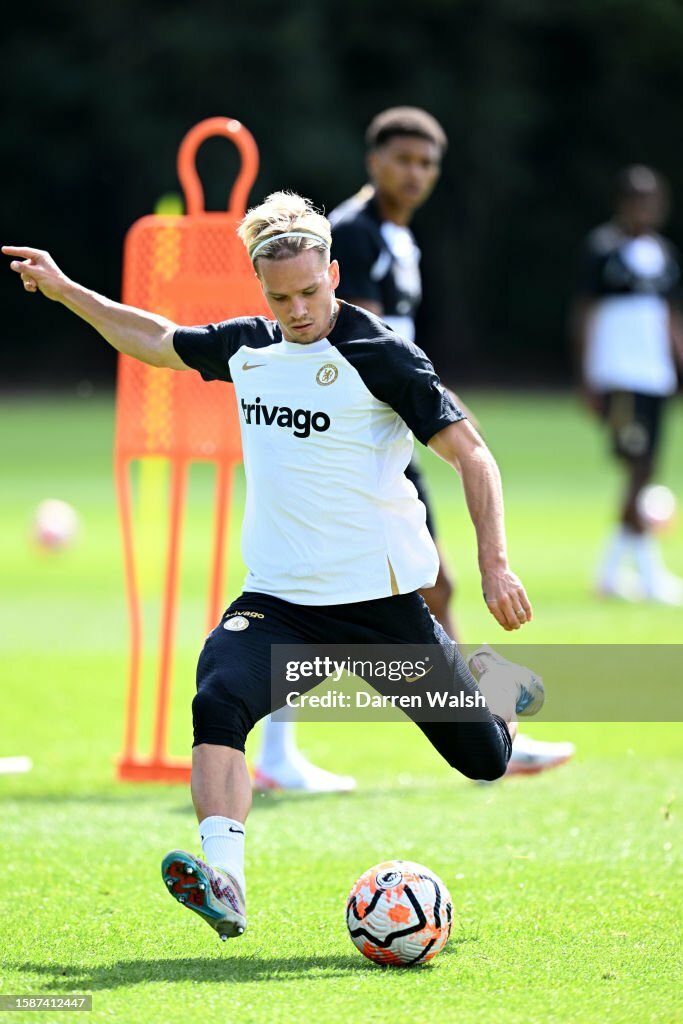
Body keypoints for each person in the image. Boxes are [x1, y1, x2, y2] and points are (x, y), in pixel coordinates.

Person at [4, 193, 542, 942]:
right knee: (217, 697)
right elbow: (155, 338)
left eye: (309, 292)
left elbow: (472, 453)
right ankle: (224, 880)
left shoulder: (382, 356)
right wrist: (66, 290)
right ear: (262, 289)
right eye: (279, 295)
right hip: (280, 602)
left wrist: (494, 565)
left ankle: (487, 679)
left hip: (381, 607)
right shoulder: (249, 347)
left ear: (334, 273)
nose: (295, 309)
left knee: (483, 761)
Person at [329, 106, 574, 776]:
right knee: (314, 597)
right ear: (372, 161)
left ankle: (489, 729)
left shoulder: (398, 238)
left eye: (426, 163)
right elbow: (364, 343)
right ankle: (488, 729)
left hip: (390, 435)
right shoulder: (351, 235)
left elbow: (397, 346)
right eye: (402, 160)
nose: (415, 174)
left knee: (433, 586)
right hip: (357, 438)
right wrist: (441, 409)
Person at [572, 165, 683, 604]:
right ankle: (644, 574)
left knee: (646, 468)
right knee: (638, 468)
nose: (645, 208)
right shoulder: (603, 251)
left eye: (651, 199)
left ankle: (615, 573)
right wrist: (586, 375)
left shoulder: (664, 255)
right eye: (637, 199)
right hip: (619, 373)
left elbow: (670, 316)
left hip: (654, 374)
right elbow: (585, 312)